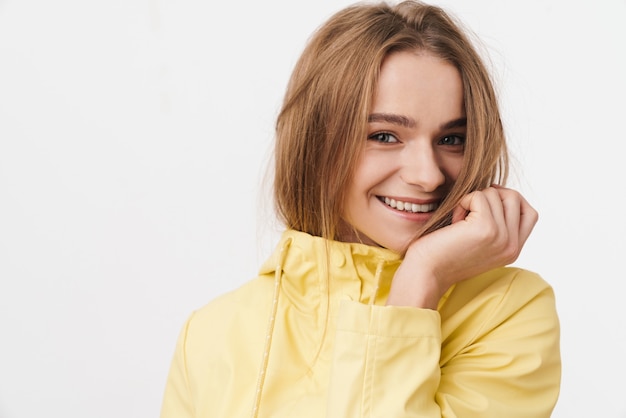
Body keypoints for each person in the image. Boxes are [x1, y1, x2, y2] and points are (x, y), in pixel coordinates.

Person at [159, 1, 561, 417]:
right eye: (385, 136)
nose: (428, 176)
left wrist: (420, 278)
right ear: (315, 143)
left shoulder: (507, 312)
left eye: (451, 139)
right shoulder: (210, 335)